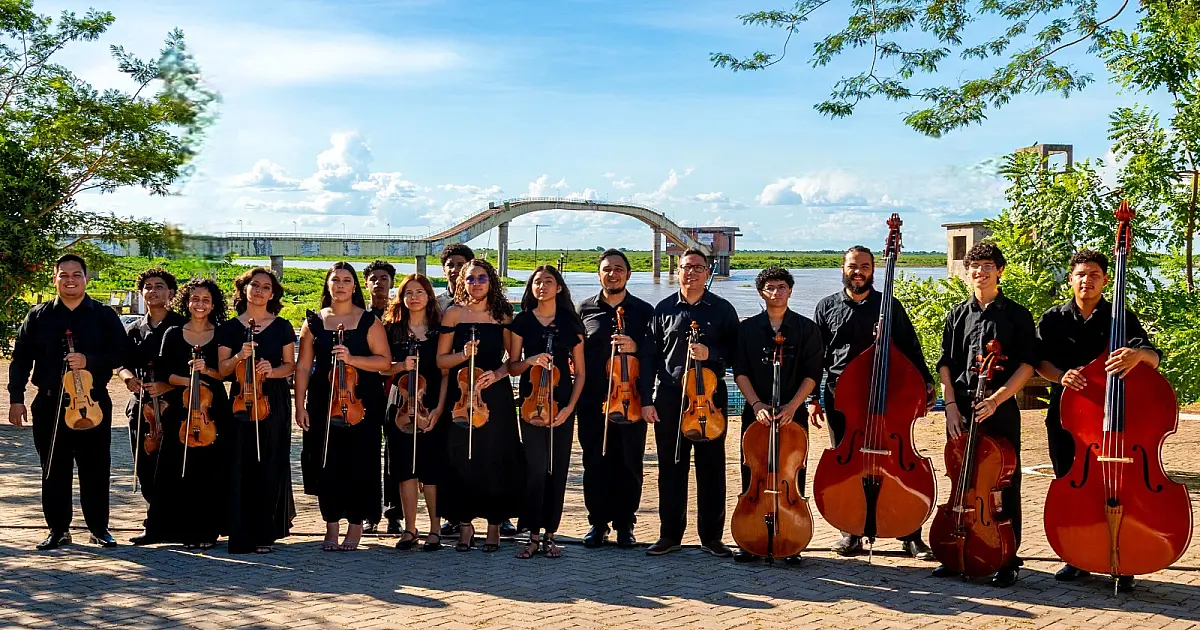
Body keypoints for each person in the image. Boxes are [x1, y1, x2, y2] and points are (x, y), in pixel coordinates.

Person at [1035, 249, 1161, 593]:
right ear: (1071, 278)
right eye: (1080, 274)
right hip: (1067, 419)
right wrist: (1061, 377)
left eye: (1094, 274)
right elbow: (1039, 362)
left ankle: (1124, 558)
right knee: (1073, 487)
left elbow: (1152, 357)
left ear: (1106, 279)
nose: (1086, 280)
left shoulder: (1120, 316)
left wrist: (1137, 355)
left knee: (1119, 488)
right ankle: (1077, 558)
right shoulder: (1053, 319)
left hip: (1117, 421)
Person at [808, 245, 936, 560]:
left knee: (896, 463)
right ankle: (850, 532)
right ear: (843, 267)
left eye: (864, 266)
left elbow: (911, 347)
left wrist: (927, 382)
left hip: (888, 399)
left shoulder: (889, 305)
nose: (859, 271)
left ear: (874, 269)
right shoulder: (826, 307)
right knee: (847, 466)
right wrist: (812, 398)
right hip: (843, 400)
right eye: (853, 265)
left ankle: (909, 534)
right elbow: (816, 357)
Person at [932, 242, 1035, 587]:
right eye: (974, 267)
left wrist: (999, 399)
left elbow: (1026, 366)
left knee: (1004, 483)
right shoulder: (957, 314)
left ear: (1000, 270)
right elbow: (945, 364)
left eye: (988, 266)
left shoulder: (1017, 315)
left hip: (999, 408)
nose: (981, 272)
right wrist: (949, 408)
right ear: (967, 273)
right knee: (962, 479)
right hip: (961, 408)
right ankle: (956, 548)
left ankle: (1008, 558)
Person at [7, 254, 127, 550]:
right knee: (53, 468)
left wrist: (90, 360)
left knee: (96, 468)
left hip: (93, 402)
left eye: (76, 274)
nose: (70, 280)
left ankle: (99, 528)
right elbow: (21, 359)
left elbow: (122, 354)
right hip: (49, 403)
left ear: (86, 278)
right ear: (55, 279)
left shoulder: (104, 315)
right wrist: (16, 398)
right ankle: (58, 529)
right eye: (64, 275)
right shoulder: (38, 316)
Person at [640, 248, 738, 557]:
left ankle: (712, 538)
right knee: (671, 468)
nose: (691, 272)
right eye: (686, 267)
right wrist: (646, 399)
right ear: (678, 271)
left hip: (709, 396)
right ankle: (670, 535)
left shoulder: (722, 310)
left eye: (697, 267)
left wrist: (712, 355)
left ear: (708, 272)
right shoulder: (664, 309)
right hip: (670, 396)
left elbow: (737, 352)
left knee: (712, 469)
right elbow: (649, 357)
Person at [295, 262, 392, 551]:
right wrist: (299, 406)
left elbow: (384, 362)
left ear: (354, 286)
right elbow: (302, 367)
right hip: (324, 400)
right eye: (335, 279)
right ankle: (332, 524)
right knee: (327, 463)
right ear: (327, 284)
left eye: (346, 280)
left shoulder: (369, 321)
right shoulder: (314, 322)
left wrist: (352, 360)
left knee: (359, 462)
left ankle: (355, 524)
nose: (340, 285)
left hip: (362, 400)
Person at [732, 266, 824, 563]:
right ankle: (750, 541)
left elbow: (812, 374)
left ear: (790, 291)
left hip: (791, 414)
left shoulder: (806, 328)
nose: (776, 292)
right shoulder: (747, 329)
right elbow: (740, 371)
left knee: (792, 472)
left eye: (782, 287)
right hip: (756, 413)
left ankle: (791, 541)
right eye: (770, 287)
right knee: (752, 472)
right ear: (761, 292)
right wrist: (757, 405)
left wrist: (793, 406)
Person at [136, 278, 233, 549]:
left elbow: (225, 373)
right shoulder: (173, 333)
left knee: (210, 471)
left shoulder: (222, 333)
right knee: (173, 469)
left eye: (205, 300)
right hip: (181, 407)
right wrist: (190, 379)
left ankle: (206, 531)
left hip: (212, 409)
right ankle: (163, 529)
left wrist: (207, 372)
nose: (199, 304)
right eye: (194, 299)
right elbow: (166, 372)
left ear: (213, 304)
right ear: (186, 302)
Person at [436, 258, 523, 553]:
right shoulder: (452, 314)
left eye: (482, 278)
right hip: (461, 395)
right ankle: (464, 525)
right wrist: (463, 355)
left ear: (491, 281)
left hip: (493, 395)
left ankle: (494, 525)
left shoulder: (503, 314)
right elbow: (440, 361)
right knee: (461, 459)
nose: (476, 284)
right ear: (462, 281)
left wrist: (496, 375)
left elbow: (512, 362)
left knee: (494, 459)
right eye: (470, 279)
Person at [217, 267, 297, 554]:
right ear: (245, 289)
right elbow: (222, 369)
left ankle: (266, 531)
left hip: (273, 399)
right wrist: (240, 355)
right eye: (255, 285)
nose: (260, 290)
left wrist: (272, 370)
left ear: (272, 294)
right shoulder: (229, 328)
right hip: (240, 399)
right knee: (240, 462)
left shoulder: (283, 326)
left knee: (270, 461)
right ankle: (239, 531)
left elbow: (290, 366)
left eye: (266, 287)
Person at [576, 249, 653, 549]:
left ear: (628, 274)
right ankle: (597, 523)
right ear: (599, 274)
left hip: (631, 399)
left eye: (619, 269)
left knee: (629, 462)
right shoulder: (584, 310)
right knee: (594, 462)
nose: (613, 274)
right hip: (593, 400)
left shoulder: (644, 311)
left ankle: (625, 525)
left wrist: (636, 346)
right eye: (607, 269)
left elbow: (655, 355)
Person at [508, 266, 586, 559]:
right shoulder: (523, 322)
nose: (542, 286)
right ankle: (531, 533)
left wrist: (569, 409)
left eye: (548, 281)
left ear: (559, 288)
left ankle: (551, 534)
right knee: (535, 469)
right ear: (531, 288)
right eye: (537, 282)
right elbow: (513, 366)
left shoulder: (571, 323)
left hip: (561, 402)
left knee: (558, 469)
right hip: (530, 404)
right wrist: (531, 361)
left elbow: (580, 373)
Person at [382, 273, 450, 551]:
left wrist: (439, 409)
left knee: (430, 469)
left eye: (419, 292)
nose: (414, 297)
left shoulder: (440, 329)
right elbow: (382, 367)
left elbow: (446, 373)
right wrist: (400, 366)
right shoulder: (391, 328)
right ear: (401, 298)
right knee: (404, 470)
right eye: (408, 292)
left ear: (428, 296)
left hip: (430, 402)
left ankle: (435, 529)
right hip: (400, 404)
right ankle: (410, 529)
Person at [118, 268, 186, 504]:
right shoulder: (133, 329)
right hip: (141, 407)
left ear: (171, 293)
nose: (152, 291)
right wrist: (128, 378)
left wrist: (167, 386)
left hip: (176, 405)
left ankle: (173, 522)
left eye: (159, 286)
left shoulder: (182, 327)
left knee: (174, 463)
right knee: (144, 463)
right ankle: (153, 519)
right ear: (141, 293)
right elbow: (120, 364)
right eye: (148, 287)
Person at [363, 259, 397, 534]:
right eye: (373, 278)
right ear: (366, 284)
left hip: (399, 387)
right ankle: (369, 511)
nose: (379, 283)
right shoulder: (360, 316)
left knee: (395, 451)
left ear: (392, 282)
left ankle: (394, 512)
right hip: (367, 390)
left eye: (384, 278)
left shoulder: (398, 315)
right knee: (370, 451)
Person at [437, 244, 474, 313]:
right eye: (450, 265)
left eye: (460, 265)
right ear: (444, 270)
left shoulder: (479, 303)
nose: (454, 269)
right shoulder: (436, 304)